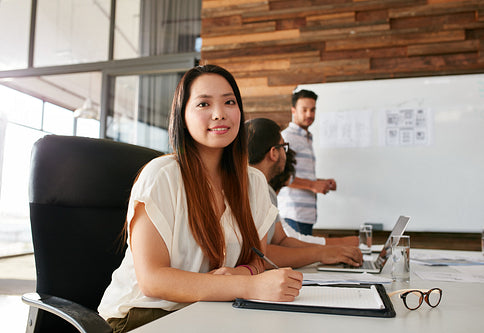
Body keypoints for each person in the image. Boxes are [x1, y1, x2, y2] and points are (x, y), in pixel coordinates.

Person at [98, 65, 303, 333]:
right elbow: (152, 280)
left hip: (210, 310)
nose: (219, 114)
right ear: (182, 116)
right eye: (204, 103)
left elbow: (258, 257)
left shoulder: (253, 182)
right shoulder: (161, 176)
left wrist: (244, 274)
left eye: (229, 102)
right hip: (144, 316)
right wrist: (249, 285)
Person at [246, 118, 362, 269]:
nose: (285, 154)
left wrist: (328, 251)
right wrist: (320, 254)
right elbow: (260, 255)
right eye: (284, 147)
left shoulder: (266, 191)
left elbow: (281, 241)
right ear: (274, 153)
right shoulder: (251, 190)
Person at [277, 89, 338, 236]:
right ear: (293, 110)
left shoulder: (308, 137)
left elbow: (296, 174)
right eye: (304, 110)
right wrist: (312, 185)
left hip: (306, 215)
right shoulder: (287, 137)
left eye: (312, 110)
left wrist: (320, 182)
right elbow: (281, 176)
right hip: (293, 215)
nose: (309, 114)